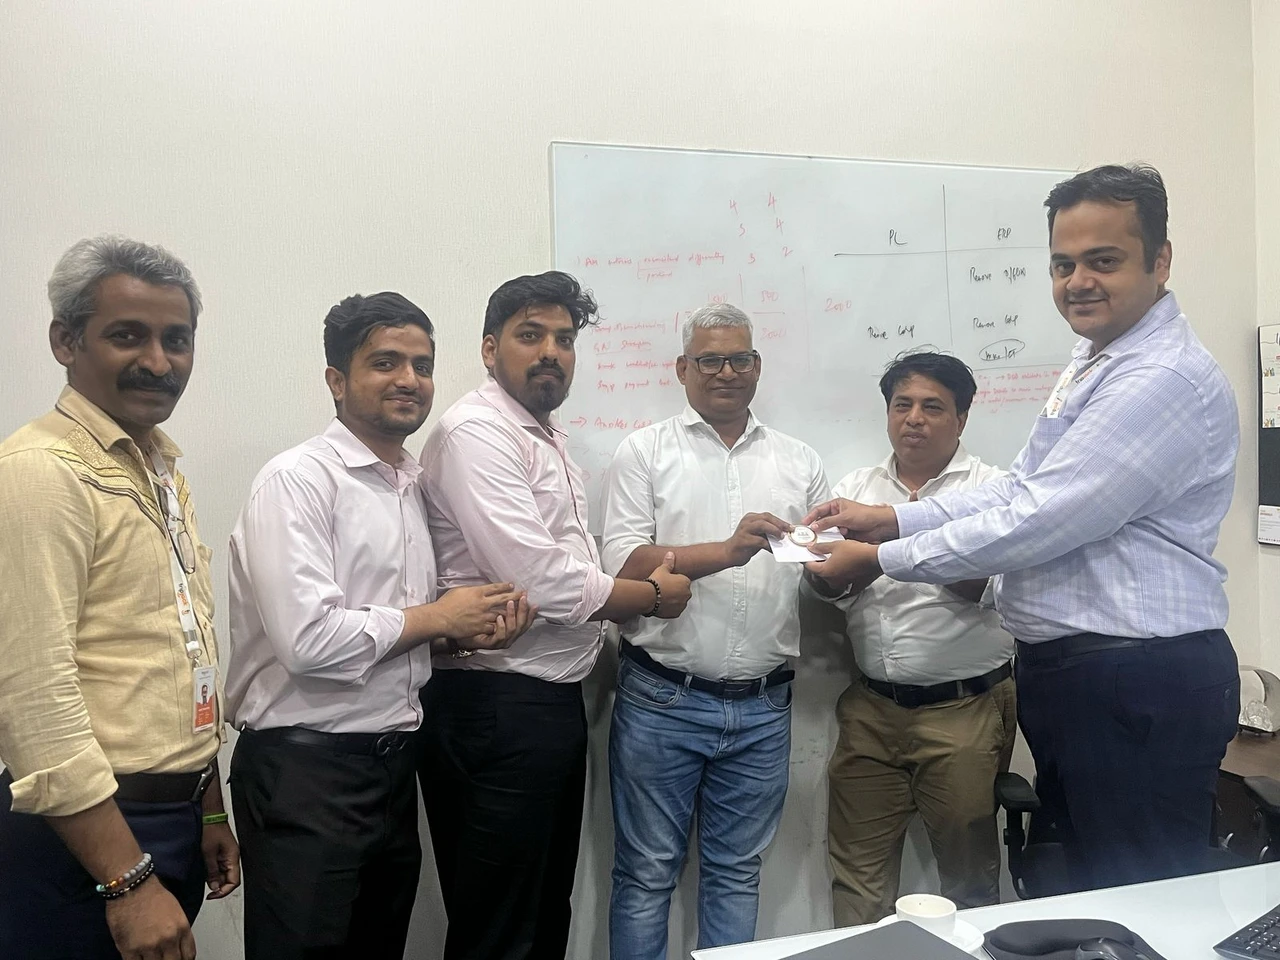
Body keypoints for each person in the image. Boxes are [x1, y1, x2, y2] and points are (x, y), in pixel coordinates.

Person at [805, 164, 1241, 892]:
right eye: (1063, 265)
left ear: (1161, 260)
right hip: (1089, 678)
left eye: (1103, 260)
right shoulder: (1096, 361)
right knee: (1088, 889)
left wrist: (882, 556)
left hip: (1136, 678)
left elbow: (1041, 519)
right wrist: (890, 516)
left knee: (1137, 896)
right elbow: (1022, 489)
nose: (1078, 282)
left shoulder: (1158, 378)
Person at [226, 292, 532, 959]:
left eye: (422, 365)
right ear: (336, 381)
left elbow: (391, 625)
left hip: (393, 768)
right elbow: (308, 642)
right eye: (385, 363)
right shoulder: (297, 481)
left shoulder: (410, 485)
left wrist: (457, 634)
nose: (409, 380)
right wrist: (436, 616)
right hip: (305, 773)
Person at [417, 270, 692, 960]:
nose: (551, 352)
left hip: (540, 704)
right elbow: (539, 577)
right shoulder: (478, 433)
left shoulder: (541, 434)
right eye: (530, 335)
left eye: (564, 339)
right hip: (493, 705)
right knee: (499, 927)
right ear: (489, 349)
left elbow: (563, 567)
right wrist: (650, 598)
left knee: (541, 912)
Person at [0, 235, 239, 960]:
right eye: (128, 336)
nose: (159, 362)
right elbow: (33, 698)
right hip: (85, 837)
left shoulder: (157, 466)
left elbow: (176, 655)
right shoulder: (42, 471)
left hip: (171, 816)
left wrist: (208, 808)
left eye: (177, 339)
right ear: (65, 341)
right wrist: (127, 881)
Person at [600, 302, 829, 958]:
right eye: (710, 360)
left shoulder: (798, 460)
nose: (726, 372)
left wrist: (840, 567)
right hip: (662, 700)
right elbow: (624, 564)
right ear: (683, 369)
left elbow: (820, 571)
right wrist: (726, 552)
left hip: (763, 708)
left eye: (740, 359)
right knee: (646, 875)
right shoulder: (644, 452)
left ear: (757, 366)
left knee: (736, 875)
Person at [807, 352, 1014, 925]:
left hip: (964, 710)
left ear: (962, 418)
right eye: (902, 405)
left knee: (968, 881)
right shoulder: (855, 488)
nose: (914, 419)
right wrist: (818, 568)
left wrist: (890, 548)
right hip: (871, 709)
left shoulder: (995, 490)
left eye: (932, 407)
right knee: (857, 878)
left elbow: (990, 588)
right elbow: (829, 591)